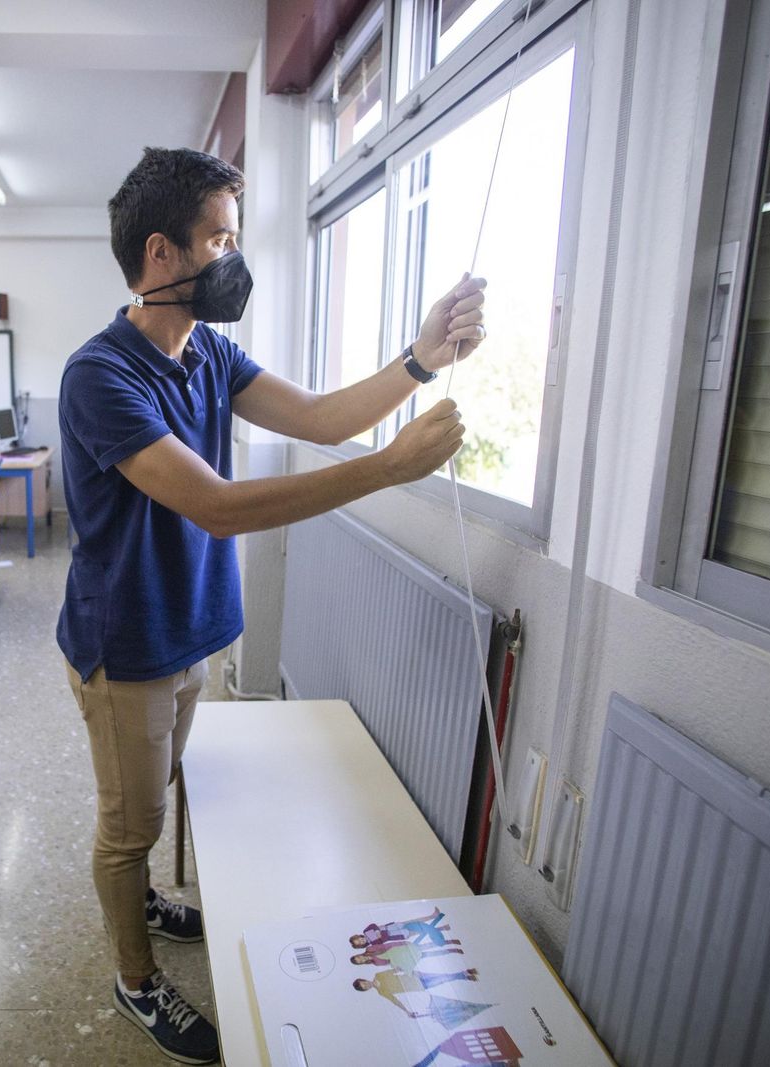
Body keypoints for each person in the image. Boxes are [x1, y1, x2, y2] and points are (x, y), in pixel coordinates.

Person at [58, 147, 488, 1065]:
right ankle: (134, 979)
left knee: (166, 783)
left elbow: (325, 418)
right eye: (221, 237)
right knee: (129, 823)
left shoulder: (210, 351)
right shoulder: (100, 376)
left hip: (193, 630)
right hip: (125, 643)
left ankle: (142, 894)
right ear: (163, 254)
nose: (234, 256)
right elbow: (212, 502)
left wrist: (420, 358)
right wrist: (388, 470)